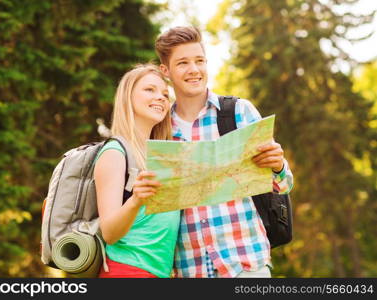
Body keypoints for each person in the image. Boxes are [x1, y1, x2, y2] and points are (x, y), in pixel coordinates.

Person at [155, 26, 294, 278]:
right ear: (165, 71)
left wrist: (278, 165)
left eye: (199, 61)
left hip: (246, 264)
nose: (194, 70)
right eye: (183, 63)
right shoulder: (161, 129)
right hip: (189, 270)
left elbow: (283, 185)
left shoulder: (238, 112)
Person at [95, 64, 180, 278]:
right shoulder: (115, 152)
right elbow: (110, 232)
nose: (161, 97)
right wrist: (135, 201)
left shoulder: (159, 157)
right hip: (126, 272)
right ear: (128, 97)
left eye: (164, 94)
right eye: (150, 90)